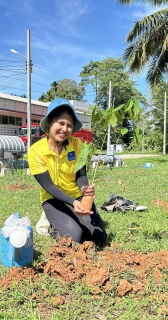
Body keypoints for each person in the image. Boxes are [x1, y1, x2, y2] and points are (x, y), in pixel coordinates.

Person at [28, 98, 107, 244]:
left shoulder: (79, 145)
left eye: (69, 125)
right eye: (61, 123)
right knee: (73, 238)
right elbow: (49, 186)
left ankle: (72, 220)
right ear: (50, 121)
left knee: (98, 237)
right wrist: (72, 202)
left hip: (77, 197)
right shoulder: (35, 151)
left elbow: (81, 175)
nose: (65, 129)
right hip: (54, 199)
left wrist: (84, 189)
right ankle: (49, 221)